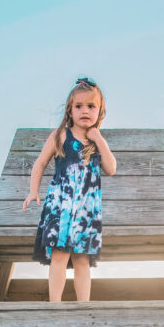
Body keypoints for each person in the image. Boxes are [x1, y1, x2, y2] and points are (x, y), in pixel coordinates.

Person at [23, 77, 117, 302]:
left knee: (82, 260)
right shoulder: (61, 135)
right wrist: (33, 191)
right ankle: (54, 305)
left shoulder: (95, 142)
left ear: (100, 111)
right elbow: (40, 164)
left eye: (91, 106)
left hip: (86, 211)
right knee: (60, 255)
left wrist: (99, 139)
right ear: (70, 110)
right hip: (61, 206)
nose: (85, 111)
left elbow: (111, 168)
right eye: (79, 106)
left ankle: (83, 307)